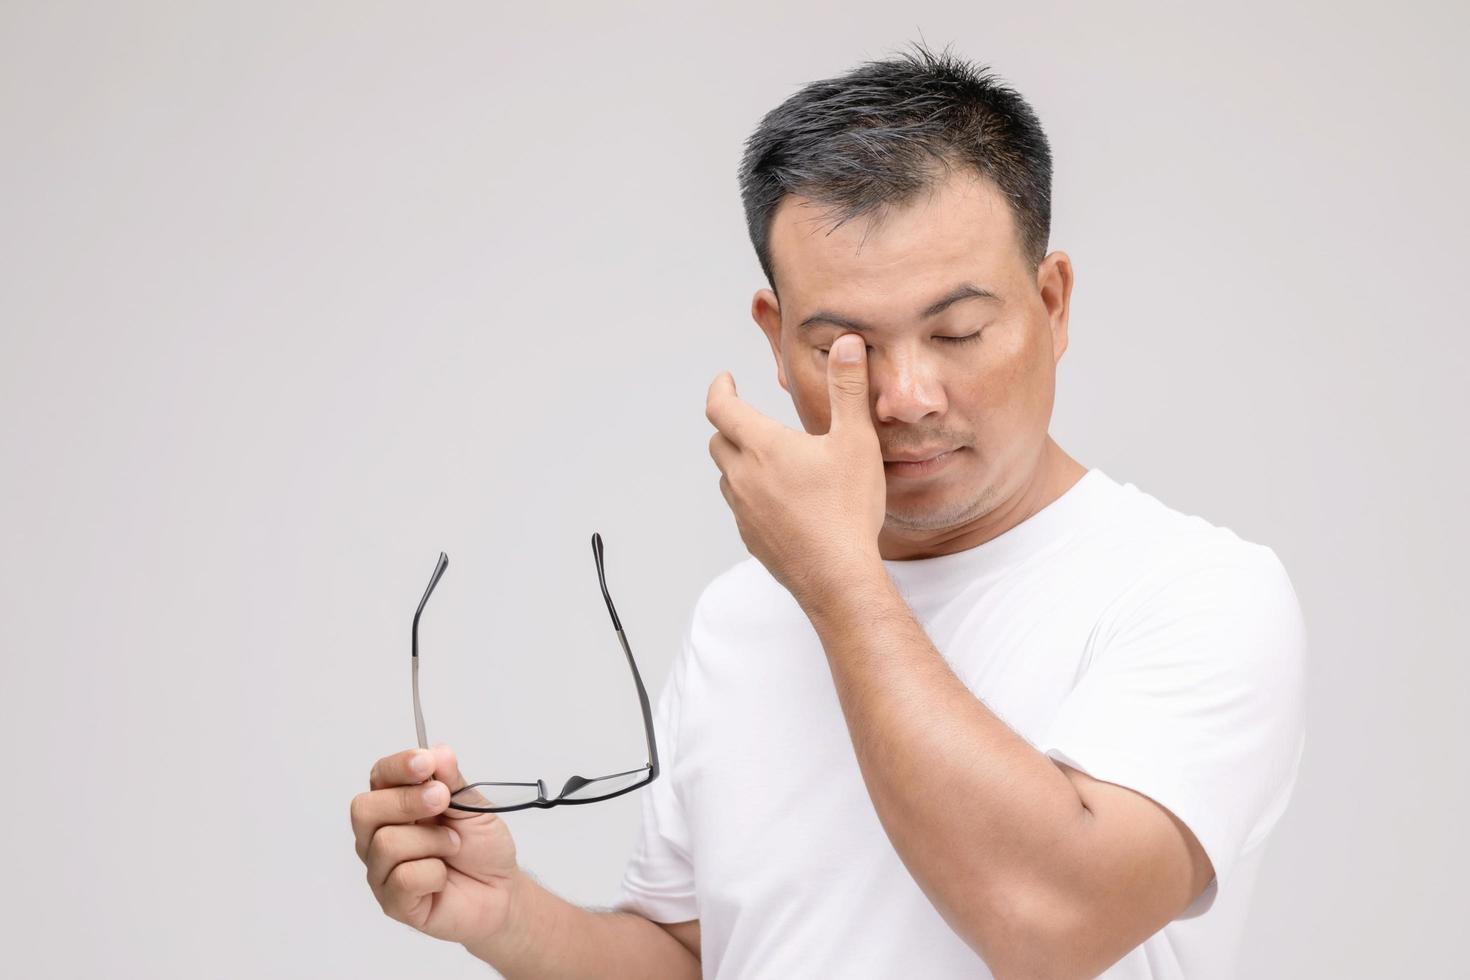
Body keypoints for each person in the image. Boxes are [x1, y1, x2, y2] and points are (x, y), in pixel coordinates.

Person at [350, 40, 1306, 979]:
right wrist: (506, 916)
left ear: (1052, 305)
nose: (907, 397)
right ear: (775, 341)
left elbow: (1050, 929)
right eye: (845, 347)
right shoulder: (741, 615)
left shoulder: (1196, 593)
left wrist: (840, 582)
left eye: (959, 331)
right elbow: (694, 958)